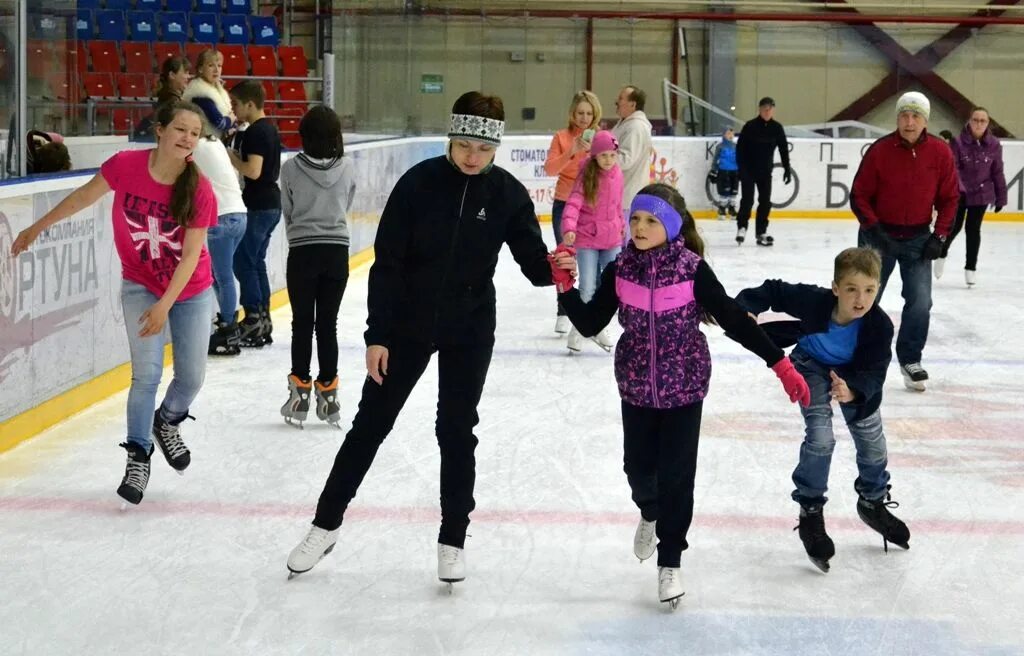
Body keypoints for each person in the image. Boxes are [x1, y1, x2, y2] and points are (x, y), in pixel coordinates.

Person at [285, 91, 569, 587]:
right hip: (408, 325)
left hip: (471, 326)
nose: (472, 157)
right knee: (370, 426)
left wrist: (555, 268)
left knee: (456, 431)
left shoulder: (506, 194)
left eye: (482, 150)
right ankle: (324, 525)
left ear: (496, 148)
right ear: (451, 137)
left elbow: (532, 264)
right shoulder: (418, 184)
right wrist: (377, 335)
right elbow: (387, 263)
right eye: (463, 145)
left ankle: (453, 540)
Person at [555, 183, 810, 608]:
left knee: (677, 476)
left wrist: (778, 363)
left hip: (685, 386)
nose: (639, 227)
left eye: (651, 221)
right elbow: (587, 322)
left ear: (671, 227)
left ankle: (670, 561)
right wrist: (565, 287)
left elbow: (734, 319)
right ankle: (649, 512)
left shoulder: (692, 269)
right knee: (637, 469)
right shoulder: (620, 270)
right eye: (635, 219)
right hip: (636, 384)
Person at [10, 101, 217, 506]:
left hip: (189, 290)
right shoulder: (125, 166)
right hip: (140, 284)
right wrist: (37, 227)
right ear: (159, 130)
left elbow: (192, 255)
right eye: (180, 129)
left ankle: (168, 421)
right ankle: (138, 456)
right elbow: (81, 198)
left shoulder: (199, 188)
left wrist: (164, 307)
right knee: (146, 375)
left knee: (191, 378)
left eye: (195, 132)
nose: (187, 138)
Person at [734, 247, 910, 574]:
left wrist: (853, 389)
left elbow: (876, 371)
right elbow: (773, 290)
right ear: (835, 288)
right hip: (810, 364)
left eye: (870, 290)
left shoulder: (879, 327)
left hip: (855, 374)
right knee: (820, 438)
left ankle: (872, 500)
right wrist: (746, 308)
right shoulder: (815, 301)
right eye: (852, 290)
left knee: (873, 444)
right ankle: (810, 510)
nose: (861, 299)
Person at [851, 91, 959, 392]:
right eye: (904, 115)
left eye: (915, 116)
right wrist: (874, 230)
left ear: (925, 121)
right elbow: (859, 194)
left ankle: (910, 359)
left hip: (918, 238)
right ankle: (856, 355)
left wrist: (939, 236)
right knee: (863, 300)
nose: (909, 122)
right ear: (897, 118)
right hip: (878, 237)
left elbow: (950, 198)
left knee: (920, 301)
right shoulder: (880, 150)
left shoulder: (940, 152)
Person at [278, 105, 354, 428]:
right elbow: (346, 204)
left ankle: (300, 396)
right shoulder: (347, 168)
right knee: (327, 324)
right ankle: (330, 396)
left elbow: (288, 210)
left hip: (303, 252)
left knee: (302, 323)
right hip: (337, 251)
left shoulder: (290, 169)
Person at [228, 80, 282, 347]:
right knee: (255, 261)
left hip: (259, 204)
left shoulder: (256, 133)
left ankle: (253, 318)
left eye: (236, 104)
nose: (234, 109)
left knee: (243, 261)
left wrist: (231, 157)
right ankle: (262, 318)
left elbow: (253, 171)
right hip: (269, 204)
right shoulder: (269, 130)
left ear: (250, 104)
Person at [544, 90, 602, 335]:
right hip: (565, 202)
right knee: (564, 259)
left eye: (589, 113)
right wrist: (572, 151)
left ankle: (592, 311)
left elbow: (607, 169)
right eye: (580, 113)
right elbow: (550, 169)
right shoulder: (561, 137)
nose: (584, 118)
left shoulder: (600, 137)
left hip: (591, 206)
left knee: (593, 262)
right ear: (572, 113)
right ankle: (563, 311)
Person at [560, 129, 623, 353]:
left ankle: (598, 326)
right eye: (604, 155)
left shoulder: (617, 174)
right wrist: (569, 228)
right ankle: (578, 330)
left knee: (610, 288)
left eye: (612, 155)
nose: (608, 159)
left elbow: (617, 206)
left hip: (612, 239)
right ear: (595, 155)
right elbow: (574, 203)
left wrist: (622, 229)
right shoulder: (587, 175)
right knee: (587, 287)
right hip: (587, 238)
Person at [190, 129, 247, 356]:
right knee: (219, 275)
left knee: (222, 277)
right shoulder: (214, 144)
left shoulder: (194, 147)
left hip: (222, 217)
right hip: (239, 213)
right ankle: (227, 321)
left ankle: (229, 329)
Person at [938, 107, 1006, 287]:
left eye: (982, 121)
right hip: (960, 192)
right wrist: (960, 189)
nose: (978, 124)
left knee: (973, 229)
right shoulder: (959, 143)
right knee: (954, 226)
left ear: (987, 123)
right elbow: (954, 168)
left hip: (982, 194)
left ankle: (971, 268)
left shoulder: (994, 145)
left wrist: (1001, 197)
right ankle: (942, 253)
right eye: (975, 120)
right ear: (969, 121)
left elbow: (997, 171)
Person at [735, 97, 791, 246]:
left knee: (765, 201)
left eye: (770, 109)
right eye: (765, 108)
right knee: (747, 200)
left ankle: (761, 232)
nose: (767, 111)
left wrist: (787, 168)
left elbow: (783, 149)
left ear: (773, 110)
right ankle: (742, 227)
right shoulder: (750, 126)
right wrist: (740, 169)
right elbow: (740, 149)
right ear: (760, 109)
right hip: (748, 169)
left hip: (765, 171)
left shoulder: (777, 128)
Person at [611, 85, 653, 216]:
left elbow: (626, 159)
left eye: (621, 98)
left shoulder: (635, 127)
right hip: (621, 196)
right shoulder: (624, 124)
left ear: (632, 104)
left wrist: (601, 157)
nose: (617, 102)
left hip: (627, 198)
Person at [182, 49, 235, 141]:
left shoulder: (217, 89)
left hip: (216, 142)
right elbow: (220, 123)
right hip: (205, 143)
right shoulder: (200, 93)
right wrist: (231, 118)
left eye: (219, 66)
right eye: (211, 65)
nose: (216, 70)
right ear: (200, 69)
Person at [709, 127, 739, 220]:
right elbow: (715, 160)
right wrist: (714, 170)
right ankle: (722, 209)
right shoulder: (720, 146)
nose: (730, 136)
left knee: (734, 191)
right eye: (728, 134)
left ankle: (731, 208)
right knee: (724, 192)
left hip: (735, 172)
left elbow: (740, 159)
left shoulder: (736, 146)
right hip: (724, 172)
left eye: (732, 134)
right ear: (724, 135)